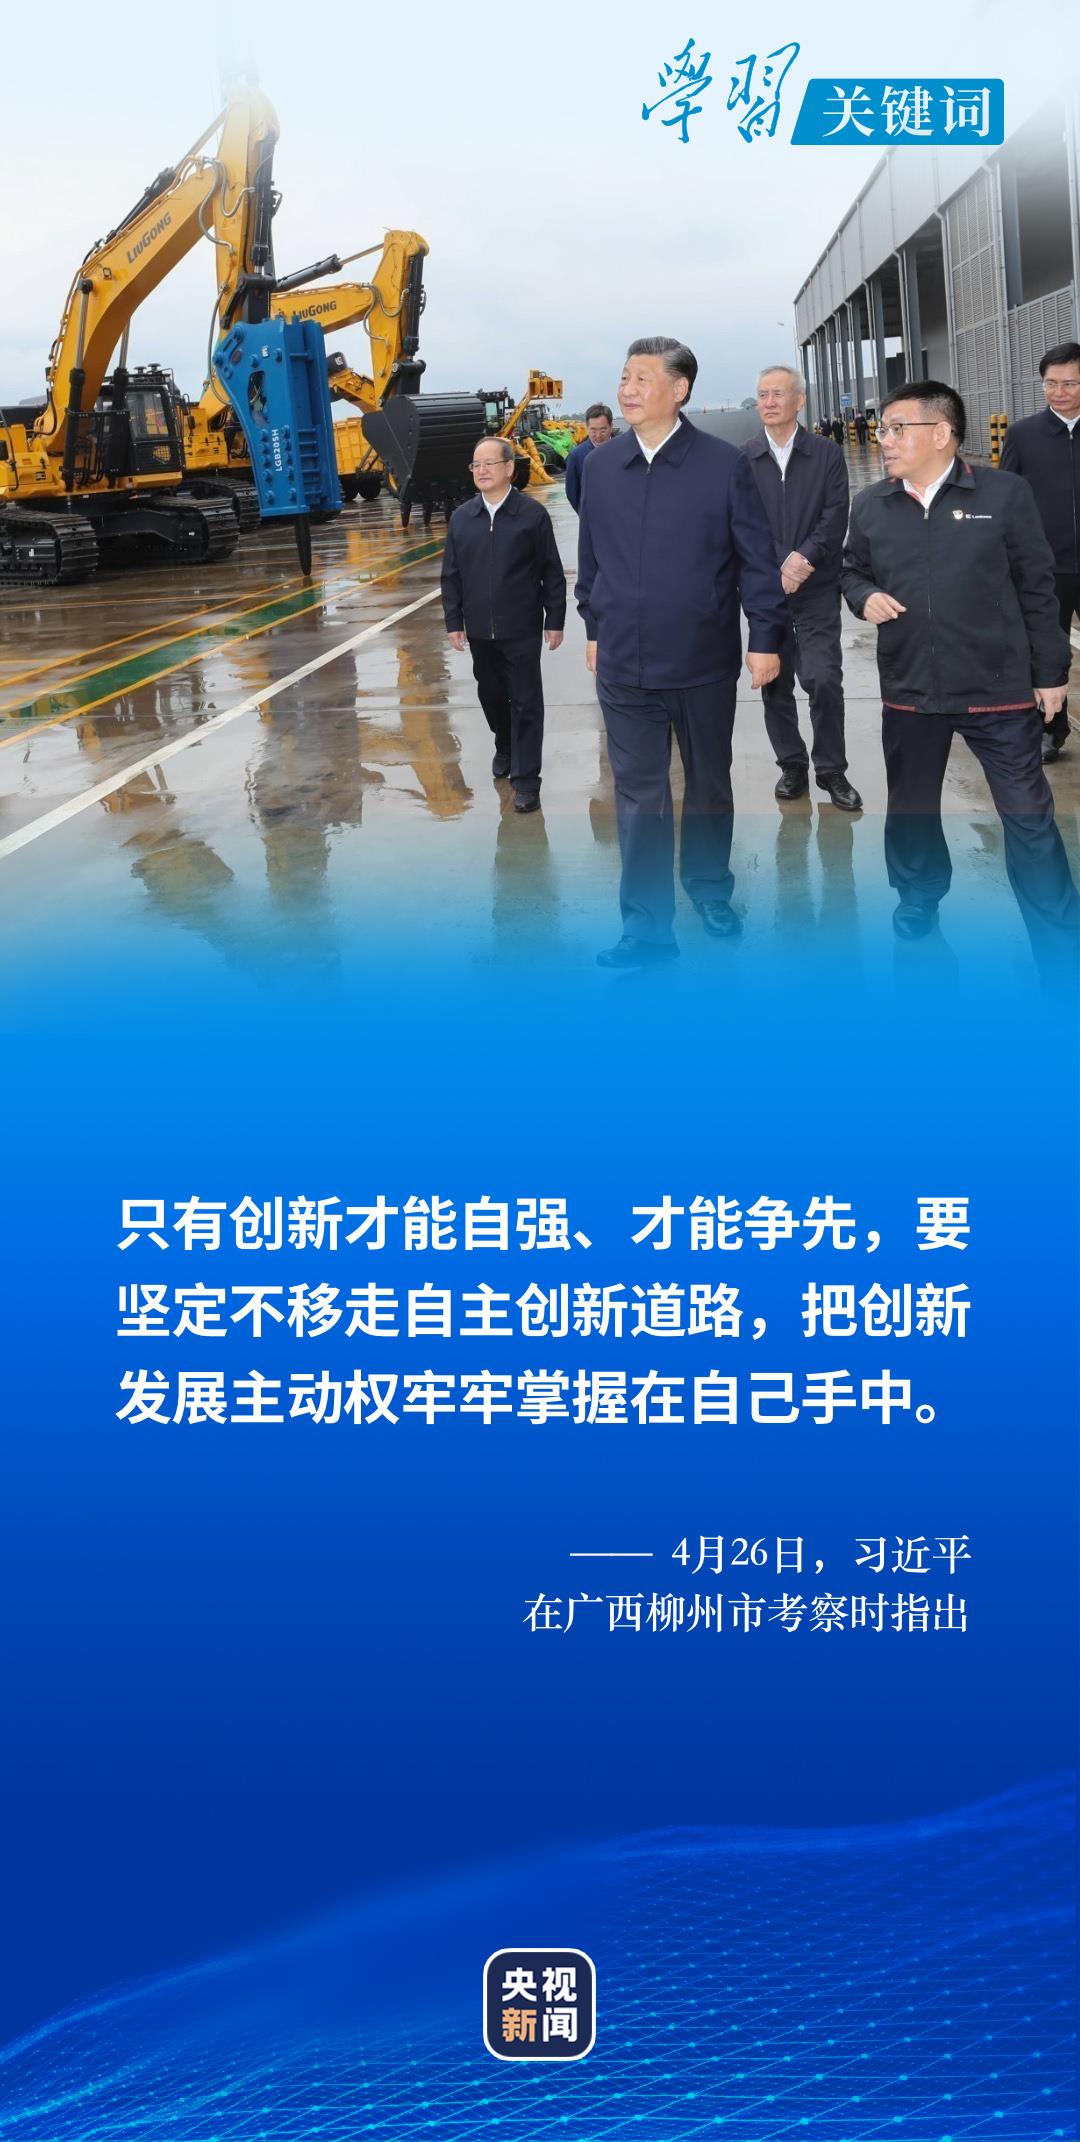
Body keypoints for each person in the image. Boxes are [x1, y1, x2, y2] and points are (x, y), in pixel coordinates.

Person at [841, 377, 1078, 964]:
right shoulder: (871, 504)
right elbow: (851, 570)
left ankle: (1058, 934)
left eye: (898, 428)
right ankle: (918, 897)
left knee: (1028, 816)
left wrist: (1051, 673)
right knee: (912, 808)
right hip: (911, 689)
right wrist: (864, 596)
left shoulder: (1004, 494)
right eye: (883, 429)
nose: (884, 439)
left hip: (998, 688)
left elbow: (1037, 587)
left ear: (942, 433)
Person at [576, 335, 786, 966]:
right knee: (639, 796)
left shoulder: (723, 465)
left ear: (679, 389)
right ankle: (646, 930)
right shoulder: (601, 467)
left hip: (702, 660)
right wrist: (593, 625)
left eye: (642, 378)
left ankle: (709, 887)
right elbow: (591, 557)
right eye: (624, 377)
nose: (627, 389)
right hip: (624, 663)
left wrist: (765, 638)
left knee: (708, 783)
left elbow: (756, 560)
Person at [744, 364, 862, 810]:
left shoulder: (825, 454)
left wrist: (804, 559)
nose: (769, 402)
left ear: (800, 400)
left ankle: (831, 770)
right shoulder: (745, 458)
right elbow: (744, 521)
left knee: (823, 678)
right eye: (763, 395)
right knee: (773, 681)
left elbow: (836, 514)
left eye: (778, 393)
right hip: (766, 590)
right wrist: (781, 560)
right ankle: (791, 764)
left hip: (816, 586)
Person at [441, 436, 566, 814]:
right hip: (480, 630)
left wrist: (555, 619)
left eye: (489, 463)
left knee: (526, 702)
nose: (481, 470)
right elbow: (451, 575)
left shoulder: (531, 515)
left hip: (522, 627)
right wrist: (454, 621)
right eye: (475, 464)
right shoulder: (462, 518)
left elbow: (551, 571)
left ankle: (526, 781)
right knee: (492, 696)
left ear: (510, 468)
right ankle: (505, 744)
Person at [999, 340, 1080, 763]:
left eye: (1069, 383)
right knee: (1048, 651)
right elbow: (1003, 498)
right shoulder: (1023, 435)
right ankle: (1052, 729)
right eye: (1051, 383)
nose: (1059, 392)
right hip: (1046, 568)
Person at [564, 404, 614, 514]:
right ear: (587, 428)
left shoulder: (624, 451)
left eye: (603, 430)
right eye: (593, 430)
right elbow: (572, 493)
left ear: (611, 427)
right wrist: (586, 517)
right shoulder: (576, 456)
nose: (598, 435)